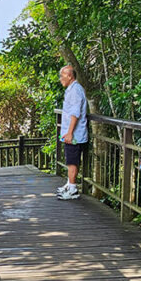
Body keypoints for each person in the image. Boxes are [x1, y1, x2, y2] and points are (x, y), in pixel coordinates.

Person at [57, 65, 88, 200]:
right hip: (71, 133)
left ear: (70, 76)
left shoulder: (75, 90)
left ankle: (73, 189)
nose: (60, 79)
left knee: (72, 161)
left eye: (62, 76)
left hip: (75, 134)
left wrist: (69, 133)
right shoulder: (71, 89)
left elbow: (75, 113)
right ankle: (69, 184)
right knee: (70, 159)